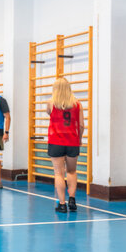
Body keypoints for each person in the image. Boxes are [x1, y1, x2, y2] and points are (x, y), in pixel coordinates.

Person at [46, 77, 85, 213]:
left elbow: (49, 114)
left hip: (56, 141)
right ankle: (72, 200)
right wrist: (79, 139)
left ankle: (62, 204)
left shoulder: (51, 103)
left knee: (58, 173)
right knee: (72, 171)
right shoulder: (77, 104)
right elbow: (81, 125)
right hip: (72, 142)